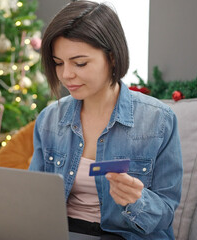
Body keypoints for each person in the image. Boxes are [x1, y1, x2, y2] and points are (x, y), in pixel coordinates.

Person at [29, 1, 183, 239]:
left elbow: (166, 213)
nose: (66, 75)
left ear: (111, 57)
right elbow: (35, 198)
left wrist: (137, 200)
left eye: (80, 63)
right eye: (59, 63)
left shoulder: (158, 121)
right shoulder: (49, 120)